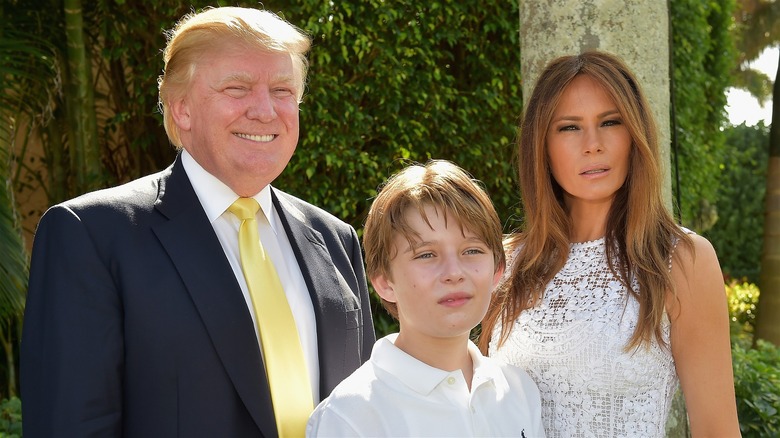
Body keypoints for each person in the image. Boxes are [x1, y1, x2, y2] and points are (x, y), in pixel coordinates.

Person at [21, 6, 374, 437]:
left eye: (282, 90)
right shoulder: (91, 236)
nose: (264, 110)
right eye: (237, 88)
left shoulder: (335, 240)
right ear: (182, 109)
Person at [479, 50, 741, 437]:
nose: (592, 144)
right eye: (569, 127)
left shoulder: (680, 259)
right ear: (542, 145)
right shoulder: (507, 261)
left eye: (610, 122)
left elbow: (717, 430)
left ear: (635, 135)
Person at [306, 160, 544, 437]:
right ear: (384, 281)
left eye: (472, 251)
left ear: (497, 270)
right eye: (426, 255)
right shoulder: (350, 417)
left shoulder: (519, 391)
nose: (454, 273)